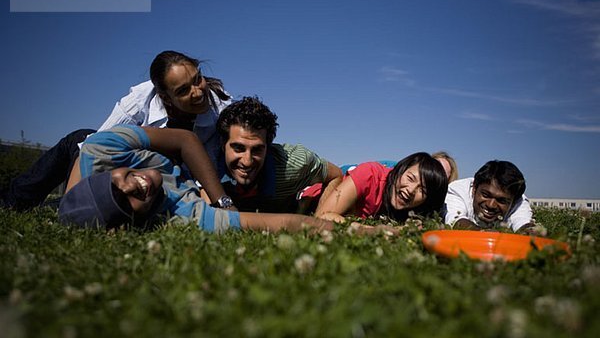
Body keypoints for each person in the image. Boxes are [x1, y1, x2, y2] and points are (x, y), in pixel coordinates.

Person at [59, 125, 395, 236]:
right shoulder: (182, 215)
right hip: (195, 184)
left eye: (117, 183)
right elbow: (281, 224)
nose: (137, 185)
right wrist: (365, 231)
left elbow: (186, 141)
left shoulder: (100, 151)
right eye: (128, 200)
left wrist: (222, 199)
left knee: (370, 170)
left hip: (180, 159)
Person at [1, 50, 232, 211]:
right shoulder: (141, 98)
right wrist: (72, 201)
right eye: (183, 90)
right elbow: (96, 146)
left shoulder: (219, 111)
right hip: (125, 164)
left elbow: (209, 167)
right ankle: (13, 201)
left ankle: (61, 205)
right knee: (79, 137)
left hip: (165, 176)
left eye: (197, 79)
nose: (198, 92)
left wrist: (221, 204)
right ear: (166, 98)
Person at [215, 96, 343, 213]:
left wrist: (320, 217)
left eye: (257, 150)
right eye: (238, 148)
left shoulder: (295, 165)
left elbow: (335, 174)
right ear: (222, 144)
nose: (247, 161)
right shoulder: (208, 165)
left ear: (268, 147)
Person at [312, 153, 449, 223]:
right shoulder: (370, 174)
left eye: (422, 190)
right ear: (400, 170)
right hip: (307, 200)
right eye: (410, 178)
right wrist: (367, 229)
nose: (411, 190)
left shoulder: (414, 212)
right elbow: (323, 216)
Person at [443, 160, 535, 233]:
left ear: (514, 201)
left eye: (501, 201)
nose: (491, 205)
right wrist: (483, 233)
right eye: (486, 195)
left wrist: (531, 232)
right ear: (474, 188)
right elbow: (455, 220)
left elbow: (523, 223)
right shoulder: (458, 190)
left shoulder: (519, 200)